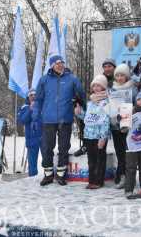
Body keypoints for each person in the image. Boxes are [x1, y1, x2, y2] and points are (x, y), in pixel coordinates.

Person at [33, 55, 85, 186]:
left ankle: (61, 175)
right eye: (57, 63)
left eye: (62, 62)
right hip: (48, 119)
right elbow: (38, 100)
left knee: (63, 148)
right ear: (51, 65)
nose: (60, 65)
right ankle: (48, 174)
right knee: (47, 148)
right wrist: (35, 116)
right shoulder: (44, 80)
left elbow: (81, 95)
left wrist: (82, 105)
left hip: (65, 118)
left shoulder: (71, 78)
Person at [75, 75, 111, 189]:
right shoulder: (90, 102)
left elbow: (106, 120)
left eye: (98, 85)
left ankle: (98, 181)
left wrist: (103, 137)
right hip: (89, 136)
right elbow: (87, 117)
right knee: (91, 160)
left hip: (99, 136)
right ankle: (91, 180)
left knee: (99, 159)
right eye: (94, 85)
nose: (96, 88)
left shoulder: (106, 102)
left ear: (104, 87)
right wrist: (79, 113)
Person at [109, 63, 137, 188]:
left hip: (128, 125)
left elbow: (138, 104)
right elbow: (108, 106)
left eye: (122, 75)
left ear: (127, 77)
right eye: (117, 75)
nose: (119, 78)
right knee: (119, 152)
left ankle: (129, 178)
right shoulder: (112, 90)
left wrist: (131, 111)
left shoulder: (133, 89)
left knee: (127, 152)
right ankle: (122, 177)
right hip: (115, 125)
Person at [17, 89, 42, 177]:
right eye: (31, 95)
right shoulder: (24, 107)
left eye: (35, 94)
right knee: (32, 164)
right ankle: (32, 178)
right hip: (32, 139)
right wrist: (30, 109)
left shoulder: (43, 105)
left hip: (44, 137)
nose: (33, 96)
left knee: (47, 161)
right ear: (28, 97)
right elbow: (22, 120)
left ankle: (48, 177)